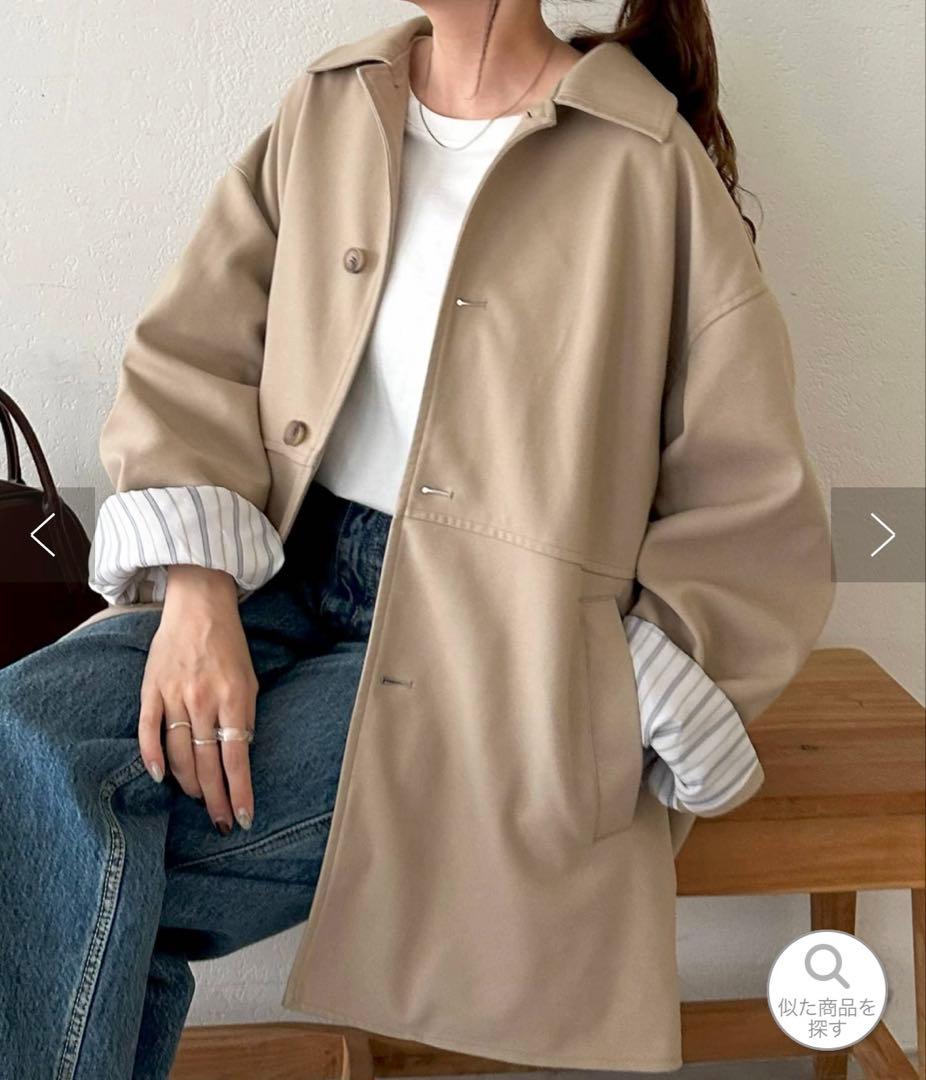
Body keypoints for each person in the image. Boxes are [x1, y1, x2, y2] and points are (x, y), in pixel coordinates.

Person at [0, 2, 835, 1076]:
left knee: (83, 872)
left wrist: (634, 683)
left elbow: (752, 488)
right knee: (21, 734)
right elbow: (195, 348)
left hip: (488, 639)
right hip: (271, 566)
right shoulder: (332, 104)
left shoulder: (645, 161)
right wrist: (196, 590)